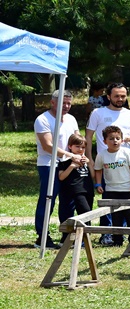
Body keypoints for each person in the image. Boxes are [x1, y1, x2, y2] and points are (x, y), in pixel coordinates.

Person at [86, 82, 130, 246]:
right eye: (116, 96)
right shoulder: (98, 113)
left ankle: (126, 234)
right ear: (108, 96)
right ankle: (107, 234)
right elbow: (88, 137)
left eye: (123, 96)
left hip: (125, 164)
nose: (120, 99)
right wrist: (89, 158)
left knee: (127, 206)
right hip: (105, 164)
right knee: (108, 202)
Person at [33, 89, 81, 249]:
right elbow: (48, 146)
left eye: (69, 103)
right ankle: (42, 237)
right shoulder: (43, 119)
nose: (66, 106)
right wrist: (70, 154)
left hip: (69, 164)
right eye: (63, 102)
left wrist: (80, 155)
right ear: (52, 102)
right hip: (49, 164)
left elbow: (77, 139)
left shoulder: (71, 119)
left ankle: (66, 235)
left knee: (68, 202)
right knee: (48, 200)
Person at [93, 126, 130, 247]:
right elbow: (98, 170)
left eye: (118, 138)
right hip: (111, 190)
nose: (115, 141)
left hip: (128, 189)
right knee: (116, 216)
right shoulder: (102, 155)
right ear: (105, 141)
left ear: (122, 140)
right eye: (111, 138)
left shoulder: (127, 152)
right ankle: (117, 240)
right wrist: (98, 184)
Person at [57, 134, 95, 245]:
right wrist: (72, 166)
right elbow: (61, 176)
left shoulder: (85, 161)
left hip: (87, 190)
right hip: (73, 191)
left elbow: (92, 175)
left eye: (83, 147)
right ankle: (66, 238)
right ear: (70, 146)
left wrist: (88, 163)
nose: (80, 150)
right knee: (71, 214)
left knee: (87, 213)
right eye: (77, 147)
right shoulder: (65, 161)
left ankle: (84, 238)